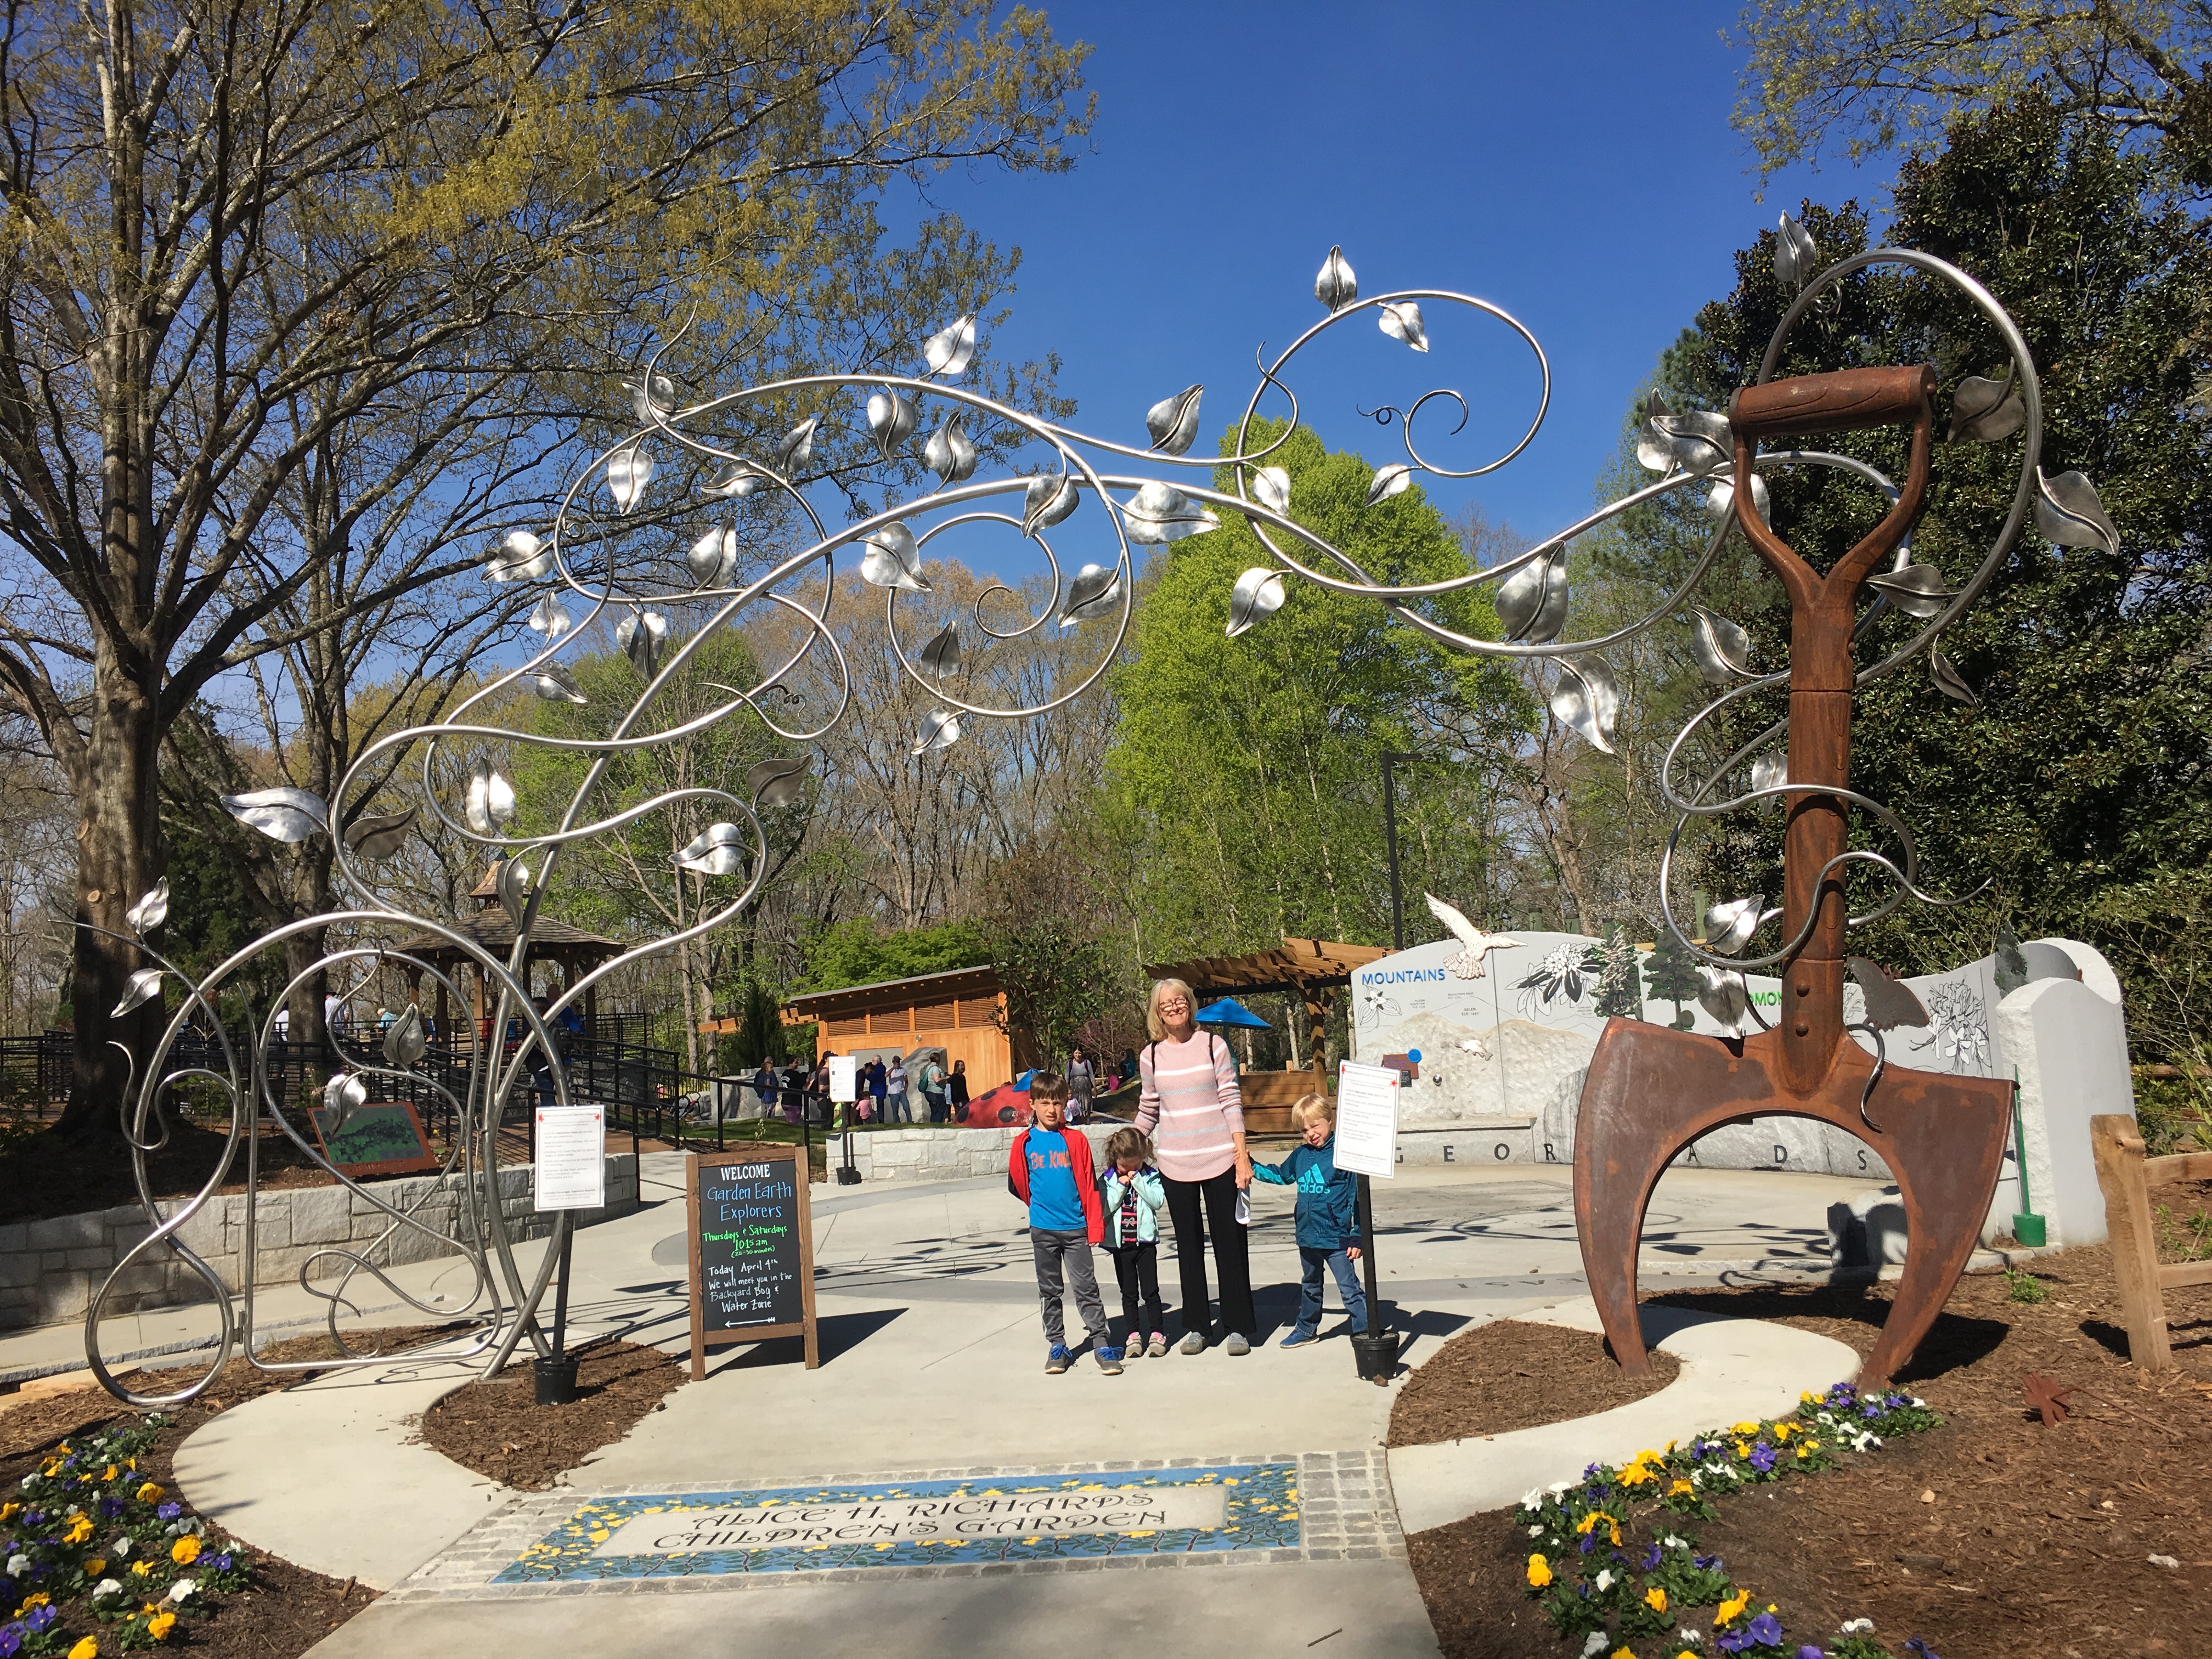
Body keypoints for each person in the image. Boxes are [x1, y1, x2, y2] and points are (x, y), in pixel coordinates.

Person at [1135, 976, 1255, 1356]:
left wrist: (1241, 1155)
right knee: (1188, 1249)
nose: (1173, 1006)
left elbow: (1231, 1099)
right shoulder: (1150, 1056)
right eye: (1165, 1003)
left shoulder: (1212, 1045)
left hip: (1220, 1159)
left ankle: (1237, 1326)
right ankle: (1198, 1328)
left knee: (1230, 1245)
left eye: (1179, 1000)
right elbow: (1149, 1109)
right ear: (1157, 1011)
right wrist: (1128, 1148)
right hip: (1175, 1166)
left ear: (1190, 1003)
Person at [1007, 1072, 1119, 1375]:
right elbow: (1019, 1183)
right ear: (1032, 1105)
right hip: (1043, 1229)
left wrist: (1095, 1226)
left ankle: (1101, 1341)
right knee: (1050, 1290)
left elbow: (1088, 1186)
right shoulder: (1024, 1143)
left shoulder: (1076, 1140)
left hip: (1075, 1229)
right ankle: (1057, 1344)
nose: (1052, 1110)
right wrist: (1039, 1211)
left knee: (1086, 1287)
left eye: (1057, 1103)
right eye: (1045, 1103)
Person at [1250, 1094, 1369, 1347]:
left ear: (1329, 1120)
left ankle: (1365, 1331)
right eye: (1304, 1130)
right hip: (1307, 1236)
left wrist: (1357, 1236)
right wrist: (1251, 1166)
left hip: (1337, 1238)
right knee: (1310, 1286)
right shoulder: (1301, 1155)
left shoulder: (1344, 1154)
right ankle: (1306, 1330)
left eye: (1315, 1126)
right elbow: (1282, 1175)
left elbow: (1358, 1199)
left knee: (1349, 1289)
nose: (1311, 1134)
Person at [1099, 1126, 1167, 1358]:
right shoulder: (1108, 1180)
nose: (1130, 1171)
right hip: (1122, 1246)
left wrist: (1138, 1180)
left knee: (1151, 1291)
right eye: (1125, 1167)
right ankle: (1133, 1335)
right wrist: (1120, 1186)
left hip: (1145, 1243)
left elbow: (1157, 1201)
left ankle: (1158, 1333)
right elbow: (1105, 1210)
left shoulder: (1150, 1176)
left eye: (1135, 1166)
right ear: (1115, 1159)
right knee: (1129, 1293)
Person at [1066, 1046, 1094, 1124]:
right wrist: (1068, 1089)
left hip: (1086, 1090)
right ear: (1073, 1053)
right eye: (1076, 1053)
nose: (1078, 1055)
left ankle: (1087, 1123)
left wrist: (1095, 1088)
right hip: (1074, 1090)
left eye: (1079, 1053)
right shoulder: (1070, 1064)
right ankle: (1077, 1125)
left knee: (1086, 1107)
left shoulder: (1086, 1062)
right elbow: (1066, 1078)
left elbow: (1092, 1076)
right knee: (1076, 1108)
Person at [919, 1052, 947, 1124]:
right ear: (938, 1059)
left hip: (929, 1093)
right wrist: (946, 1078)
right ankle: (938, 1125)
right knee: (941, 1110)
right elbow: (937, 1080)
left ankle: (933, 1126)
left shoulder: (929, 1067)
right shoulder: (935, 1068)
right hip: (936, 1093)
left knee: (934, 1111)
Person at [886, 1055, 910, 1124]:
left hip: (902, 1092)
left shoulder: (903, 1070)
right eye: (896, 1062)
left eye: (898, 1062)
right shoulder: (889, 1069)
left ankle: (910, 1121)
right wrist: (893, 1068)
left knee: (906, 1107)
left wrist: (905, 1090)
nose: (898, 1063)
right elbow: (886, 1075)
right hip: (893, 1093)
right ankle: (897, 1123)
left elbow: (907, 1081)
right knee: (895, 1109)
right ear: (893, 1062)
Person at [865, 1057, 888, 1124]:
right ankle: (880, 1120)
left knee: (877, 1107)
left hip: (877, 1091)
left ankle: (880, 1121)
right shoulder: (882, 1067)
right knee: (880, 1107)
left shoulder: (879, 1068)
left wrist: (867, 1075)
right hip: (881, 1091)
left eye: (873, 1061)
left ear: (877, 1061)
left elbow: (873, 1078)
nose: (872, 1062)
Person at [948, 1058, 970, 1122]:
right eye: (961, 1066)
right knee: (959, 1115)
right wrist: (957, 1101)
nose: (963, 1067)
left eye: (963, 1065)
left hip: (964, 1099)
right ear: (957, 1067)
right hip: (958, 1100)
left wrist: (967, 1099)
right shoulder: (954, 1077)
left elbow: (964, 1089)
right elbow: (955, 1090)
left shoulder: (963, 1077)